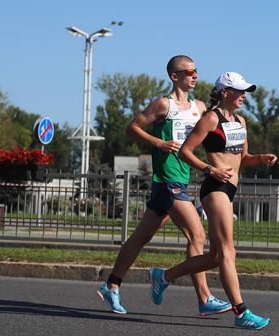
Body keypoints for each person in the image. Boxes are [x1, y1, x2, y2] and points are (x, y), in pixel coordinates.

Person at [96, 55, 231, 316]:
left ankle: (112, 284)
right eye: (189, 71)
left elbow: (212, 130)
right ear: (174, 76)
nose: (195, 75)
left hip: (180, 178)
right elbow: (132, 128)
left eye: (196, 71)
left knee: (141, 236)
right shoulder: (163, 105)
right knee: (197, 236)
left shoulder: (199, 106)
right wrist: (159, 143)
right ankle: (203, 298)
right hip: (167, 180)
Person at [149, 72, 277, 330]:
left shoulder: (240, 121)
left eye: (245, 91)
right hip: (215, 187)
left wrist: (260, 158)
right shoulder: (210, 118)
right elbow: (185, 151)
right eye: (239, 91)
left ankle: (163, 276)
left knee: (216, 257)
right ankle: (241, 312)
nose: (243, 95)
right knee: (229, 252)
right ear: (224, 92)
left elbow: (243, 158)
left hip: (230, 188)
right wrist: (209, 169)